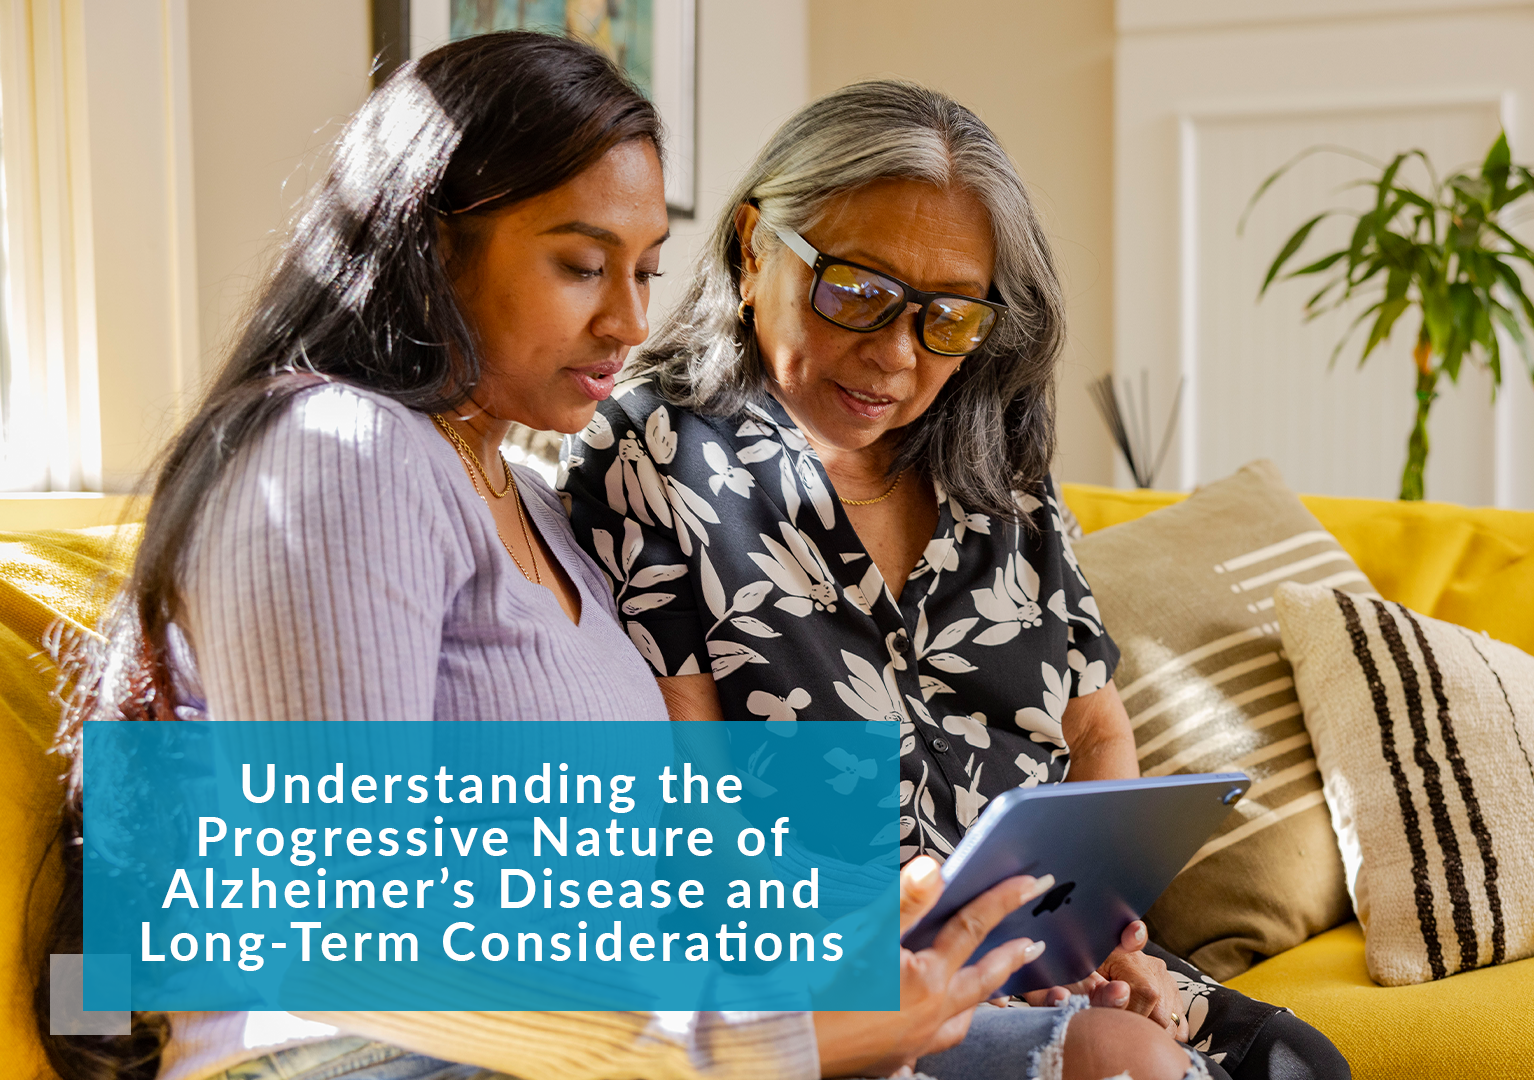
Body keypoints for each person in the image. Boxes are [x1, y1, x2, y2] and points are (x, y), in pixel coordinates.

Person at [39, 34, 1176, 1080]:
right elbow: (341, 937)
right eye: (584, 266)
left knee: (1118, 1054)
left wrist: (865, 948)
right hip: (375, 1055)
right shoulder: (344, 451)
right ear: (431, 244)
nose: (633, 322)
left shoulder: (535, 501)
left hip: (628, 1034)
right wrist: (777, 1029)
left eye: (644, 269)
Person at [564, 80, 1350, 1080]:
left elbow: (1095, 726)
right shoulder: (651, 454)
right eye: (857, 290)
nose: (894, 354)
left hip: (1039, 955)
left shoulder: (999, 476)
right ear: (758, 245)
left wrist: (1098, 937)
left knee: (1299, 1063)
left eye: (946, 319)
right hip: (841, 983)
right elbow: (691, 791)